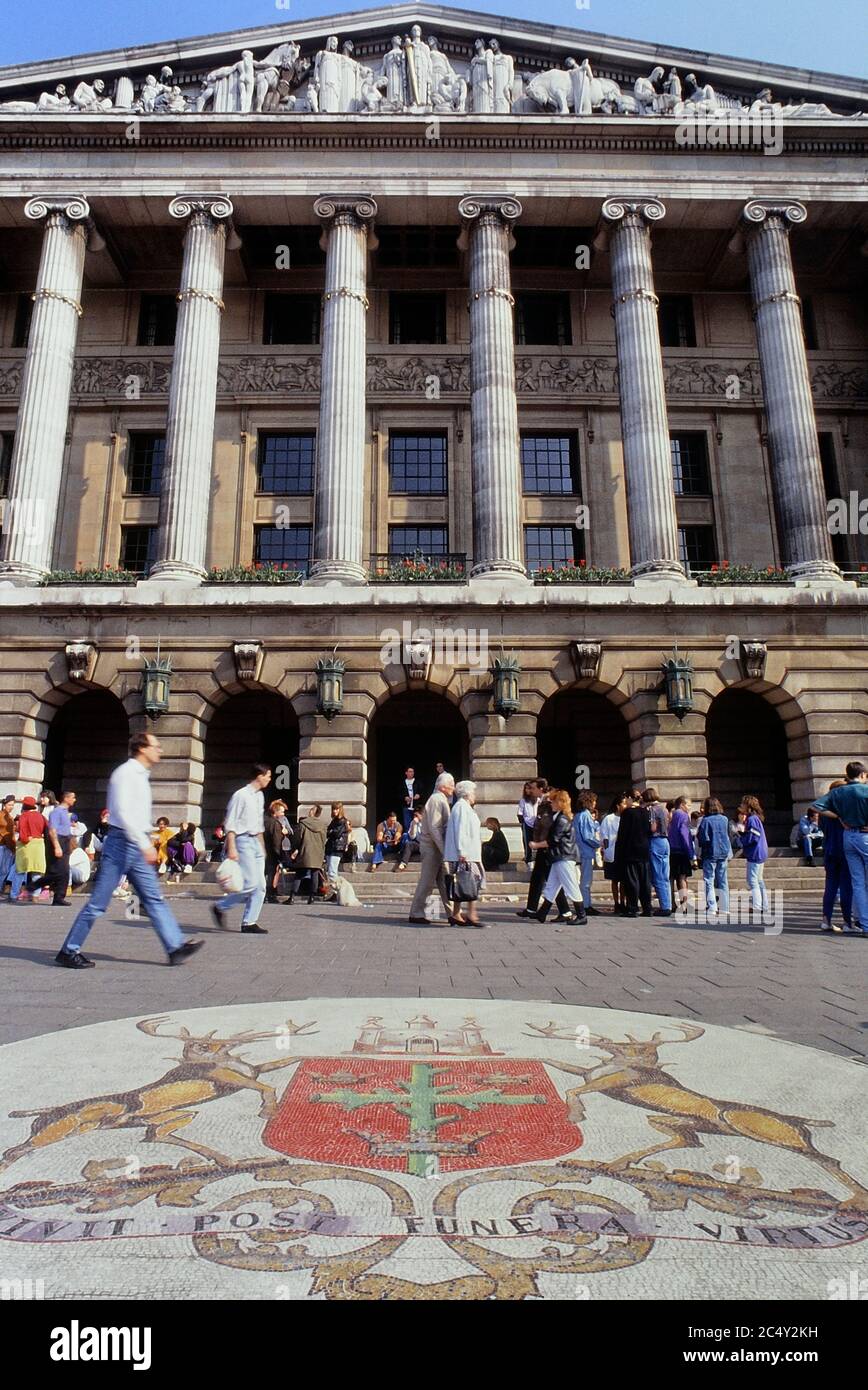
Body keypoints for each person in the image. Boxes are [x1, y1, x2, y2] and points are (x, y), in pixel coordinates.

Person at [56, 733, 203, 968]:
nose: (160, 750)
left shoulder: (140, 775)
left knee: (153, 897)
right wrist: (144, 843)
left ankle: (175, 947)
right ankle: (69, 950)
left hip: (133, 842)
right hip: (123, 842)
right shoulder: (126, 774)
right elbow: (123, 813)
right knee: (99, 902)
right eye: (156, 746)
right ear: (142, 748)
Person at [211, 763, 272, 934]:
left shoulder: (259, 796)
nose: (269, 779)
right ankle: (220, 906)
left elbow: (259, 824)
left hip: (255, 842)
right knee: (251, 883)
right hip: (242, 840)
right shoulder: (241, 795)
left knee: (260, 886)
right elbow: (231, 823)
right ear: (259, 776)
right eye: (268, 775)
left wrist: (262, 847)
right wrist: (232, 847)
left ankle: (249, 922)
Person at [813, 762, 868, 937]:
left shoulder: (837, 792)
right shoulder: (865, 790)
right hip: (864, 835)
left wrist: (839, 816)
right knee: (859, 882)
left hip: (847, 837)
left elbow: (816, 807)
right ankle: (855, 922)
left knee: (857, 883)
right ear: (862, 774)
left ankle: (865, 924)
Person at [532, 789, 587, 925]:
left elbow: (553, 840)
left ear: (560, 802)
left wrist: (536, 845)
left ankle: (581, 915)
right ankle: (542, 913)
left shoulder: (562, 819)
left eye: (553, 800)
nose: (550, 802)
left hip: (564, 857)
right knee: (551, 886)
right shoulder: (560, 816)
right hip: (559, 857)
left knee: (571, 885)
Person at [518, 780, 570, 920]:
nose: (530, 790)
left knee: (551, 879)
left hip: (547, 847)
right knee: (537, 877)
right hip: (543, 846)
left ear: (541, 789)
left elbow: (548, 826)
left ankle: (565, 911)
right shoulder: (543, 802)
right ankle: (531, 908)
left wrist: (540, 843)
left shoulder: (549, 803)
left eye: (533, 788)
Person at [408, 771, 454, 925]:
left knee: (443, 881)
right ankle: (416, 913)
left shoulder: (439, 799)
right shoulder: (436, 800)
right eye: (451, 785)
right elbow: (435, 828)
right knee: (427, 881)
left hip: (435, 847)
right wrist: (444, 849)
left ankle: (453, 913)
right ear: (443, 787)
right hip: (432, 847)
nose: (453, 789)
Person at [444, 780, 484, 927]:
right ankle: (471, 914)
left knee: (462, 883)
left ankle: (456, 914)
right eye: (473, 792)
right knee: (472, 881)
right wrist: (462, 851)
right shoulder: (461, 807)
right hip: (465, 854)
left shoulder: (464, 807)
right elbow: (461, 830)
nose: (475, 795)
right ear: (467, 793)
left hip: (467, 853)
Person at [816, 780, 853, 934]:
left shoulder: (825, 811)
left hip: (829, 849)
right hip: (845, 850)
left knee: (830, 887)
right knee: (846, 887)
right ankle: (847, 921)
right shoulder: (844, 809)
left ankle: (826, 920)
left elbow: (822, 828)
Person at [614, 792, 652, 918]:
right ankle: (647, 907)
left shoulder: (627, 813)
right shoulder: (645, 812)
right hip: (644, 849)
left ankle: (632, 907)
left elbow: (622, 834)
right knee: (645, 879)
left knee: (632, 880)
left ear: (630, 799)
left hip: (630, 850)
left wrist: (619, 851)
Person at [38, 788, 76, 906]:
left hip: (65, 840)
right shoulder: (56, 811)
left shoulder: (65, 812)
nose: (75, 800)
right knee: (57, 870)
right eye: (73, 797)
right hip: (58, 840)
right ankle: (36, 888)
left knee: (64, 871)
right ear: (66, 798)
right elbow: (52, 830)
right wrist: (57, 846)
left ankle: (59, 897)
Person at [697, 797, 731, 917]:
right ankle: (725, 907)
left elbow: (703, 838)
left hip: (710, 853)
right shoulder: (725, 819)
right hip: (723, 852)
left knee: (709, 880)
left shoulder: (706, 821)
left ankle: (712, 906)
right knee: (723, 880)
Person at [9, 796, 46, 902]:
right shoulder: (40, 816)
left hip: (26, 846)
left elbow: (23, 832)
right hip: (39, 844)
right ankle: (35, 896)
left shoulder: (23, 816)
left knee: (19, 871)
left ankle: (14, 895)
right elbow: (47, 828)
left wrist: (25, 839)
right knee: (37, 872)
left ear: (25, 805)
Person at [642, 788, 672, 916]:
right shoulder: (664, 808)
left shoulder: (652, 809)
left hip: (655, 841)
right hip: (665, 841)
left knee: (658, 874)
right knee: (665, 875)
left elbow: (653, 827)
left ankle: (664, 906)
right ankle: (668, 904)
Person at [737, 796, 769, 915]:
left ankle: (757, 906)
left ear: (748, 806)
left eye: (743, 804)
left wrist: (741, 836)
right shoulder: (756, 818)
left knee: (752, 881)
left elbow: (752, 837)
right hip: (760, 852)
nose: (741, 806)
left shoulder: (752, 819)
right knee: (759, 880)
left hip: (755, 852)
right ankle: (763, 905)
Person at [288, 804, 327, 903]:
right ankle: (312, 897)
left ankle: (292, 896)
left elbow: (298, 838)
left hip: (305, 851)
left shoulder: (303, 823)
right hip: (317, 852)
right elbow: (323, 840)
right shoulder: (323, 825)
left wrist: (296, 849)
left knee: (300, 873)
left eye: (311, 810)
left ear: (313, 812)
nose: (309, 811)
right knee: (315, 874)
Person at [599, 794, 626, 915]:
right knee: (614, 880)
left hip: (624, 852)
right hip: (612, 851)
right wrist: (606, 848)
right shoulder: (609, 818)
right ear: (618, 805)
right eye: (623, 803)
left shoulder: (627, 817)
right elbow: (604, 835)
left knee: (624, 880)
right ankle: (617, 903)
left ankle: (623, 902)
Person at [574, 790, 600, 915]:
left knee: (584, 879)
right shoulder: (585, 815)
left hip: (580, 850)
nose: (595, 804)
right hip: (586, 851)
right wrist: (599, 844)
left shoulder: (578, 815)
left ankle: (586, 903)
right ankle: (586, 905)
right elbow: (588, 836)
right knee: (586, 880)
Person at [667, 795, 695, 911]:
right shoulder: (684, 816)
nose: (689, 808)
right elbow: (684, 834)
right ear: (682, 804)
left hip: (671, 849)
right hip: (681, 850)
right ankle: (684, 903)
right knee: (682, 877)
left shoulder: (671, 815)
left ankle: (671, 903)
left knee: (671, 878)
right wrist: (690, 852)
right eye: (688, 805)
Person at [264, 799, 289, 902]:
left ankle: (264, 894)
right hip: (272, 854)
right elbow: (276, 841)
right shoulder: (275, 824)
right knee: (271, 875)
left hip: (263, 853)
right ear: (276, 812)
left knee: (264, 874)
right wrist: (279, 855)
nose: (283, 814)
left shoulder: (264, 821)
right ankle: (270, 895)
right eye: (282, 811)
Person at [325, 802, 350, 889]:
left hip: (337, 848)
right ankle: (335, 892)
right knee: (331, 871)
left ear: (340, 809)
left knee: (332, 872)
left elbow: (337, 834)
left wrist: (331, 831)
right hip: (331, 847)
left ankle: (337, 891)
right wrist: (331, 831)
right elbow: (327, 832)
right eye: (333, 809)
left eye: (336, 809)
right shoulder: (334, 820)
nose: (334, 811)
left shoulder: (343, 821)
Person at [516, 781, 539, 865]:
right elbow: (520, 813)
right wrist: (522, 822)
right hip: (527, 823)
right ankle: (528, 857)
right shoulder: (523, 801)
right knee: (527, 840)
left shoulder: (538, 800)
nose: (527, 790)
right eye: (525, 788)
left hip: (537, 824)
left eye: (529, 788)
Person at [0, 793, 16, 895]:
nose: (11, 807)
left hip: (6, 845)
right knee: (3, 870)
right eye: (9, 804)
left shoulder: (9, 817)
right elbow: (6, 834)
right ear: (4, 805)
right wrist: (13, 848)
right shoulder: (3, 816)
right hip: (4, 845)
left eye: (13, 805)